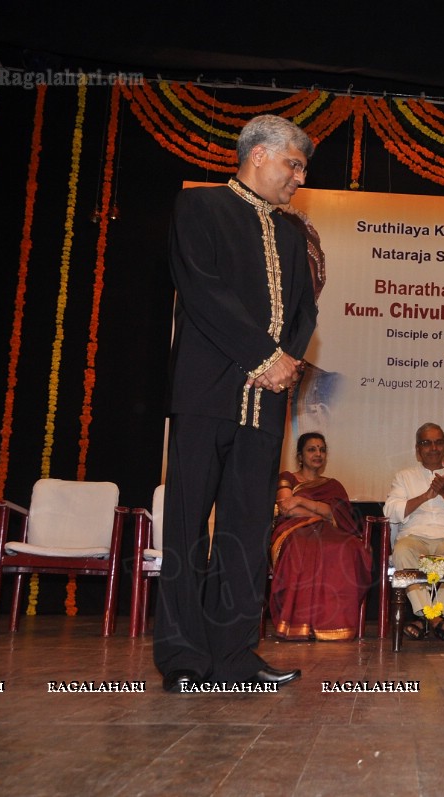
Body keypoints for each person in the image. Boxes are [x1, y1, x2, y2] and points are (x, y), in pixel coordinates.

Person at [155, 114, 317, 692]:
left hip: (266, 403)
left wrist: (287, 361)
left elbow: (305, 313)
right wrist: (263, 356)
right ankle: (183, 657)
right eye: (293, 164)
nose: (298, 178)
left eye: (301, 168)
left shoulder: (294, 234)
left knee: (248, 529)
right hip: (206, 393)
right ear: (259, 155)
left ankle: (234, 658)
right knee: (187, 525)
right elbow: (202, 290)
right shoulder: (199, 208)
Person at [269, 433, 370, 640]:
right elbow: (287, 509)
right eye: (311, 449)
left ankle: (333, 624)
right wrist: (321, 512)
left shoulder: (334, 486)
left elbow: (338, 515)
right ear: (300, 455)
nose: (318, 454)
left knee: (349, 547)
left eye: (322, 450)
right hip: (293, 531)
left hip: (327, 532)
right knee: (303, 547)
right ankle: (299, 624)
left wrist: (303, 502)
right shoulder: (287, 477)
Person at [383, 423, 444, 641]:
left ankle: (427, 618)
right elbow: (391, 510)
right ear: (418, 450)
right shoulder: (404, 477)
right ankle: (438, 621)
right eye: (427, 443)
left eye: (438, 442)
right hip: (415, 537)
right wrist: (426, 496)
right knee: (401, 550)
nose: (433, 448)